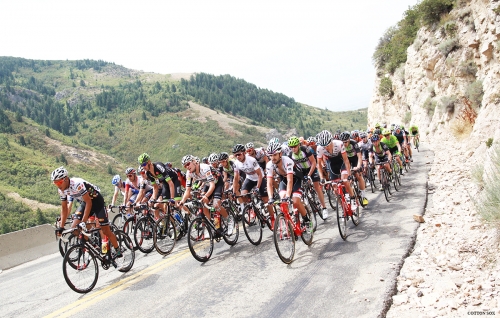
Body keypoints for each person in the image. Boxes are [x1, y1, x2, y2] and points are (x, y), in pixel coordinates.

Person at [51, 166, 122, 258]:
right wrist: (61, 226)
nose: (58, 186)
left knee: (106, 231)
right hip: (85, 202)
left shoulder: (77, 184)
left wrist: (83, 222)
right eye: (55, 184)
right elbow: (64, 208)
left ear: (66, 179)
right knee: (74, 229)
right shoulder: (61, 191)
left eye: (59, 182)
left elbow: (89, 202)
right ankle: (95, 247)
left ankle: (118, 251)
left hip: (97, 202)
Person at [178, 154, 234, 236]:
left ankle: (229, 220)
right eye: (185, 166)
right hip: (207, 185)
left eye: (188, 164)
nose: (187, 167)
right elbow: (187, 190)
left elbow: (213, 185)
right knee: (202, 204)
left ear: (194, 162)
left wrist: (206, 196)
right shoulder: (189, 174)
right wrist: (182, 201)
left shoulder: (205, 168)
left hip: (217, 183)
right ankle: (212, 225)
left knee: (216, 204)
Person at [265, 142, 312, 232]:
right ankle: (289, 224)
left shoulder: (287, 161)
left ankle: (306, 220)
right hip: (284, 180)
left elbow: (290, 180)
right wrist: (270, 198)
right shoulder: (269, 165)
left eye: (275, 155)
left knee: (295, 202)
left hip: (297, 179)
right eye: (270, 155)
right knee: (282, 199)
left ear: (280, 154)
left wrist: (288, 196)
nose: (272, 158)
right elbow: (269, 183)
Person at [232, 143, 275, 227]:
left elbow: (259, 175)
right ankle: (252, 208)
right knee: (243, 194)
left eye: (239, 154)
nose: (237, 156)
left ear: (244, 153)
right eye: (235, 155)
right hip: (250, 178)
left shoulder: (251, 160)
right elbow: (236, 178)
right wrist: (234, 192)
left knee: (266, 200)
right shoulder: (236, 163)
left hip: (260, 178)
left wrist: (257, 188)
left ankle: (273, 218)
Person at [287, 136, 328, 218]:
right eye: (291, 147)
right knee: (301, 188)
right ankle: (306, 201)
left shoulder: (305, 149)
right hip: (302, 171)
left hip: (311, 168)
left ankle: (324, 208)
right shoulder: (290, 155)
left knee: (316, 186)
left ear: (298, 145)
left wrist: (309, 175)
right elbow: (293, 167)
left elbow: (313, 162)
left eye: (295, 146)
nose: (293, 149)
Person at [315, 130, 356, 206]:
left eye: (327, 145)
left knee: (345, 180)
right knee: (335, 189)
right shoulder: (319, 148)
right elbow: (319, 165)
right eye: (324, 146)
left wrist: (349, 174)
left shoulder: (339, 144)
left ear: (331, 141)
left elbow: (346, 160)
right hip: (331, 164)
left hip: (341, 162)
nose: (326, 148)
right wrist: (321, 178)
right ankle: (343, 207)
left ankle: (352, 198)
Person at [138, 153, 182, 220]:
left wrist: (172, 198)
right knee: (166, 208)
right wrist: (153, 199)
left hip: (174, 181)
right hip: (165, 184)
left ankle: (188, 213)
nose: (143, 167)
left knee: (176, 203)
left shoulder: (158, 167)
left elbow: (170, 183)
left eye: (144, 164)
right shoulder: (148, 173)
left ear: (149, 162)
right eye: (141, 165)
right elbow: (155, 188)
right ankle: (175, 226)